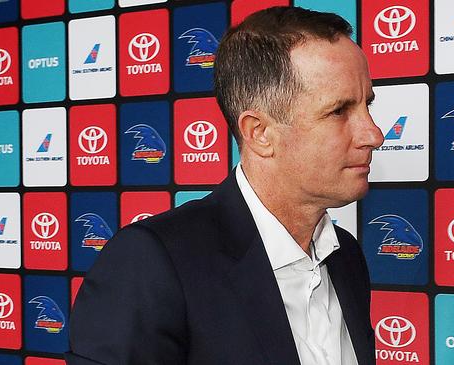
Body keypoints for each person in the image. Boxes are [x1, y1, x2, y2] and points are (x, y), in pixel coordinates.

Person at [66, 6, 384, 365]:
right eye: (339, 111)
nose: (374, 134)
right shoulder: (152, 264)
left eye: (367, 105)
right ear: (260, 134)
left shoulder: (347, 257)